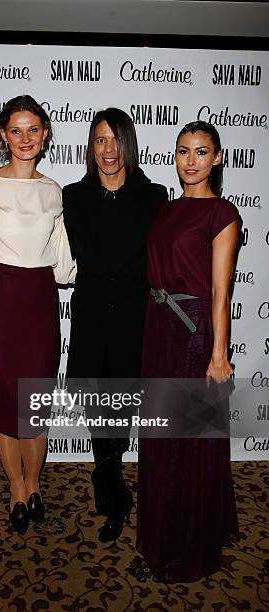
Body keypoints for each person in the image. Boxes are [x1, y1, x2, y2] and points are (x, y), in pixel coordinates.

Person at [137, 120, 240, 582]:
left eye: (201, 151)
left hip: (193, 332)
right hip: (158, 329)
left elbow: (221, 293)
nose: (191, 160)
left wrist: (218, 354)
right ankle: (162, 531)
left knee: (186, 440)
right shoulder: (165, 208)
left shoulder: (222, 214)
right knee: (161, 435)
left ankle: (185, 546)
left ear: (217, 158)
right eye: (183, 151)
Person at [0, 95, 74, 535]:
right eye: (16, 130)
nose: (25, 138)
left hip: (38, 299)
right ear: (2, 135)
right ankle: (15, 488)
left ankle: (35, 485)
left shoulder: (53, 190)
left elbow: (64, 258)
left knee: (34, 401)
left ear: (45, 133)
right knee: (2, 399)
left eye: (33, 129)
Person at [62, 108, 167, 542]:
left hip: (132, 323)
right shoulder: (73, 194)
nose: (108, 149)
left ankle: (112, 494)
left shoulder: (154, 195)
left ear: (129, 143)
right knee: (96, 413)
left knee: (120, 413)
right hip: (88, 323)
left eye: (115, 139)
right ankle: (112, 490)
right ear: (91, 146)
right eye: (100, 140)